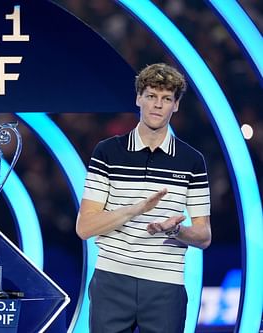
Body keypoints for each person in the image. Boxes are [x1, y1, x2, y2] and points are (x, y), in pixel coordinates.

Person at [76, 63, 211, 333]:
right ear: (139, 98)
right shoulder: (107, 153)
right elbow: (85, 227)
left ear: (176, 106)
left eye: (166, 99)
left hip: (165, 286)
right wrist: (135, 209)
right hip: (112, 280)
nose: (157, 105)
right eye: (151, 96)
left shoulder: (192, 161)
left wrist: (175, 230)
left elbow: (204, 236)